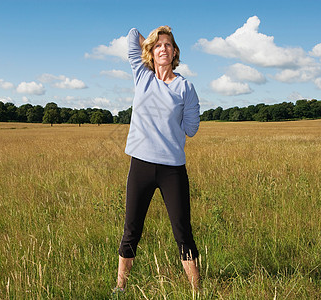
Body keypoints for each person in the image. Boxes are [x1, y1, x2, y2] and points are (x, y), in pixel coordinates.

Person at [114, 26, 201, 293]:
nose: (163, 49)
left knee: (182, 231)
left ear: (175, 52)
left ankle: (198, 292)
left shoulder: (185, 86)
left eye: (168, 45)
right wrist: (151, 41)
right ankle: (120, 288)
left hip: (172, 169)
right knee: (131, 229)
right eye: (158, 46)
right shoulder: (142, 76)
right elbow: (132, 34)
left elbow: (192, 128)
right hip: (140, 164)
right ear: (151, 52)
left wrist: (185, 111)